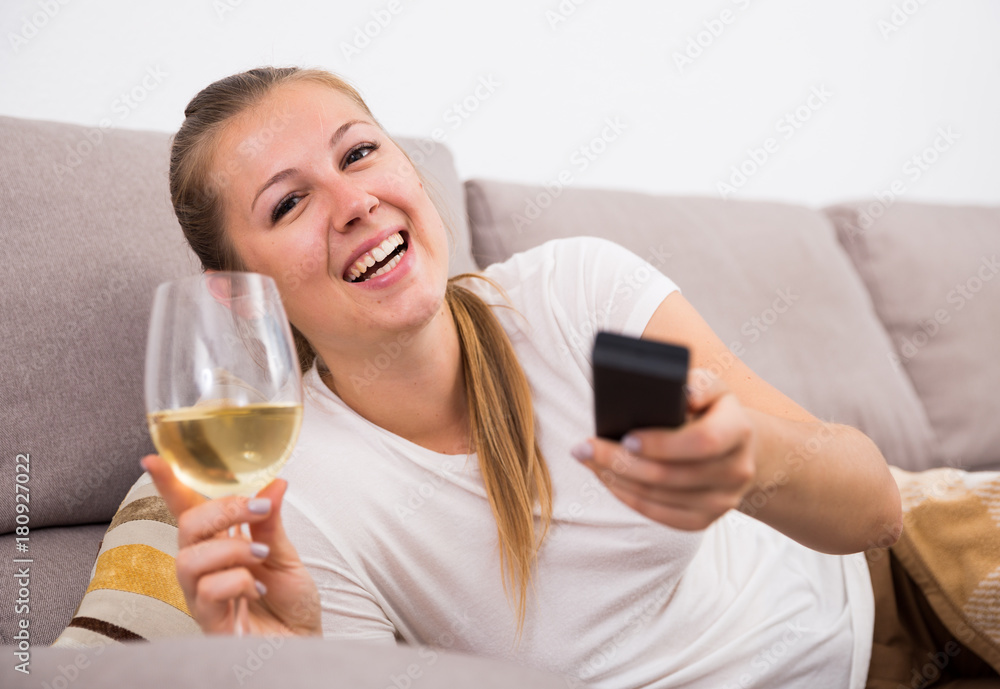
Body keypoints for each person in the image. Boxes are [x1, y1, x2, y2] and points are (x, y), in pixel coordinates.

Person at [142, 67, 995, 688]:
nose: (354, 201)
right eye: (288, 203)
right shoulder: (302, 495)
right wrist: (294, 668)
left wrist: (750, 461)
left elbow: (875, 509)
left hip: (901, 587)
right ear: (237, 290)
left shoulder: (572, 304)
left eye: (359, 153)